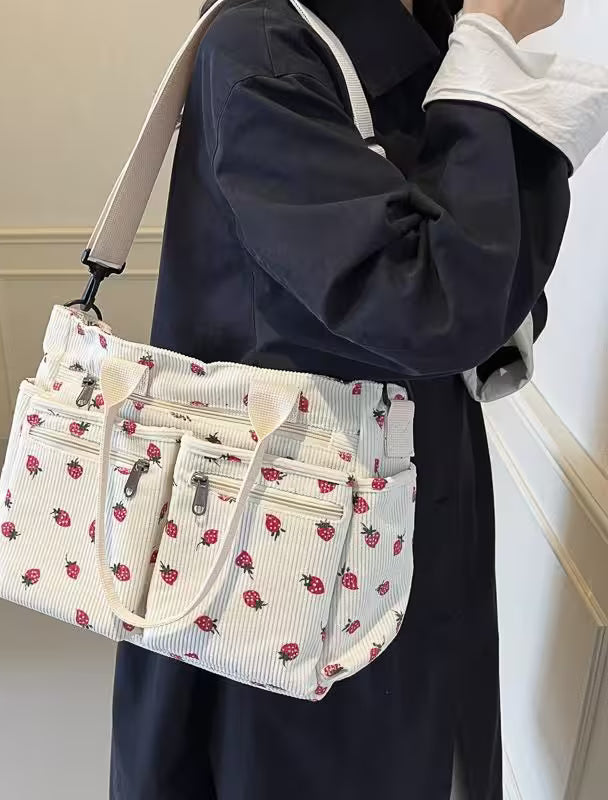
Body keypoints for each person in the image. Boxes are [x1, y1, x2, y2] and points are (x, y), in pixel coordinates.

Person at [110, 1, 605, 798]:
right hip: (287, 524)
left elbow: (493, 294)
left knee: (416, 734)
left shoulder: (421, 30)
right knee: (313, 760)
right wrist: (492, 37)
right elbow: (437, 303)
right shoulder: (266, 44)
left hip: (395, 497)